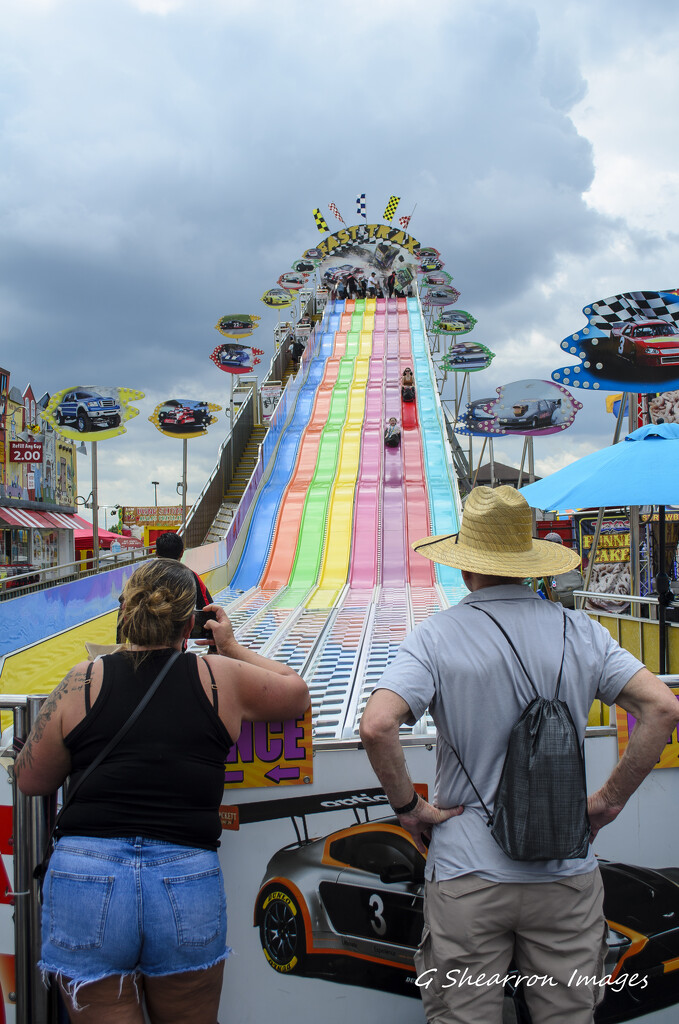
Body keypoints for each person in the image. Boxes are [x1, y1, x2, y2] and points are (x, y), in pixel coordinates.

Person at [359, 486, 679, 1024]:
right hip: (565, 871)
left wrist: (409, 809)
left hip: (466, 873)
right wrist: (607, 801)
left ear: (466, 567)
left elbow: (377, 725)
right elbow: (663, 708)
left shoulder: (436, 638)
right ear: (530, 563)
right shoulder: (582, 632)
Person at [15, 557, 309, 1023]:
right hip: (184, 875)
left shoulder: (84, 679)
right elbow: (295, 692)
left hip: (86, 875)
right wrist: (229, 645)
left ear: (124, 612)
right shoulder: (218, 678)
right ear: (191, 621)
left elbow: (30, 779)